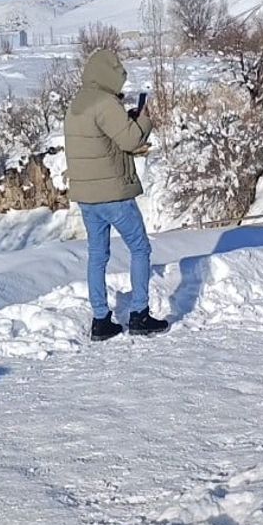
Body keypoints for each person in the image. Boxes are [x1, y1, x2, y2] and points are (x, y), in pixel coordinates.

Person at [64, 48, 169, 342]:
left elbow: (104, 141)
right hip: (113, 193)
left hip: (86, 196)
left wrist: (126, 119)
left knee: (97, 255)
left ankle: (100, 320)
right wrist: (144, 120)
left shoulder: (78, 102)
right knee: (140, 248)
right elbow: (131, 139)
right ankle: (139, 314)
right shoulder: (106, 103)